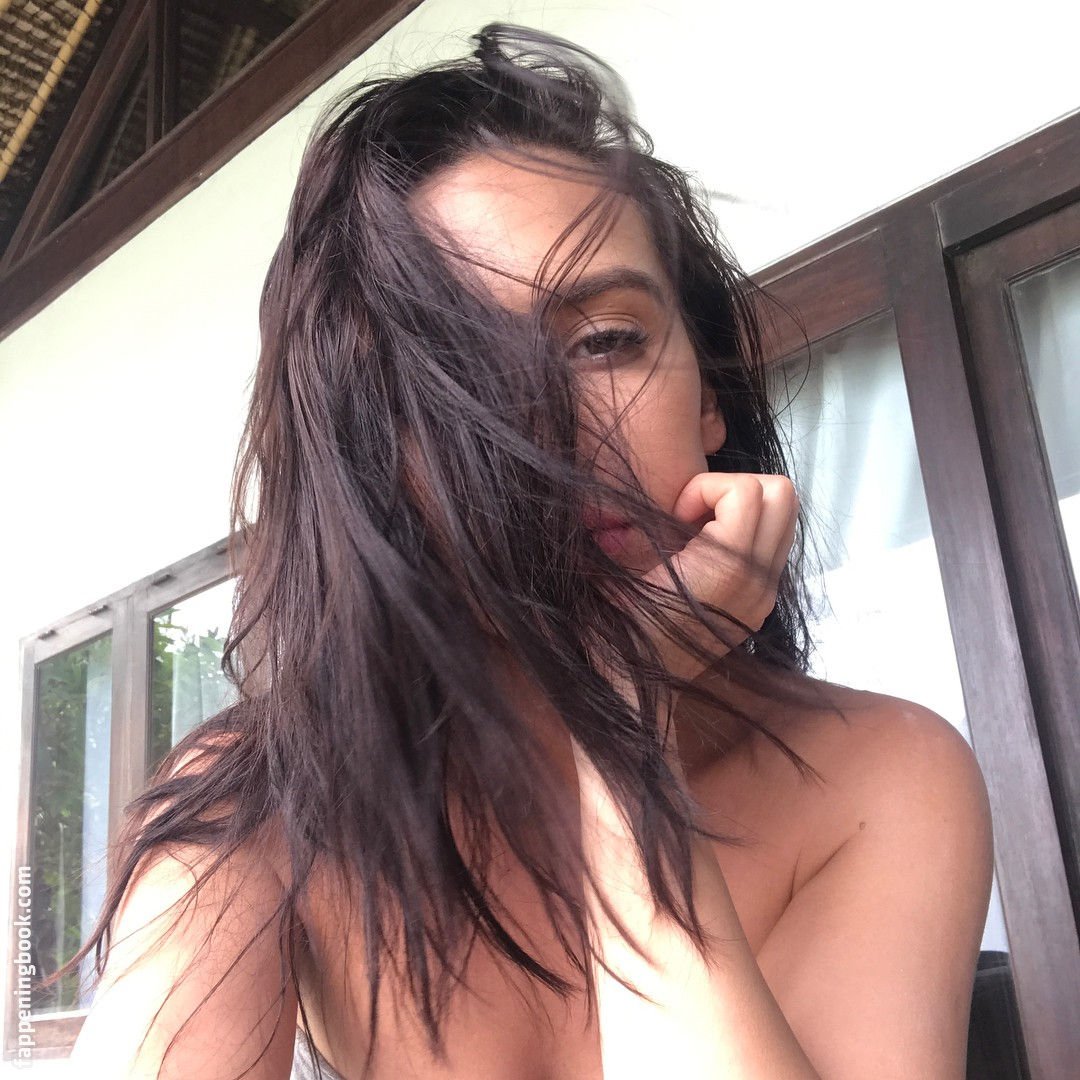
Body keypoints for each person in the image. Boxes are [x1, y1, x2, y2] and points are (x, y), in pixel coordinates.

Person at [55, 23, 993, 1079]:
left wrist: (624, 731)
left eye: (606, 342)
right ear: (367, 457)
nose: (543, 434)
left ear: (711, 397)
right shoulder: (270, 798)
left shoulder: (881, 775)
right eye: (450, 372)